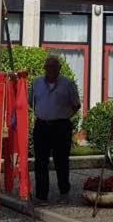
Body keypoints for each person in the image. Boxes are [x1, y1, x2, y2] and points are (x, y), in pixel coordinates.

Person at [29, 55, 81, 205]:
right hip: (42, 126)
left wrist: (64, 116)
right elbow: (31, 102)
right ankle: (41, 196)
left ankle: (64, 194)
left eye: (54, 67)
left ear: (59, 68)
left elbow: (76, 104)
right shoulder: (36, 83)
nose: (51, 70)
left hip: (61, 127)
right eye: (49, 67)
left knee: (62, 161)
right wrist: (43, 113)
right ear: (44, 68)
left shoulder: (68, 83)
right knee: (40, 162)